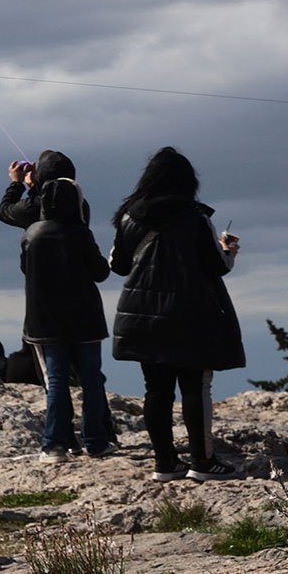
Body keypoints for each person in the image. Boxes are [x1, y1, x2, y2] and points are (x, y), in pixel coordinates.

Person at [110, 147, 242, 481]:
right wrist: (228, 251)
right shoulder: (196, 218)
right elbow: (216, 265)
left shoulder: (128, 216)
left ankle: (165, 464)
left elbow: (119, 265)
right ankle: (202, 462)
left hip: (141, 314)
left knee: (156, 390)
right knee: (194, 386)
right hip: (189, 313)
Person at [19, 177, 115, 463]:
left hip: (44, 318)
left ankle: (54, 445)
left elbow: (26, 270)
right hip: (83, 316)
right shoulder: (80, 233)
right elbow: (100, 273)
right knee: (91, 379)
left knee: (57, 381)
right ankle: (95, 441)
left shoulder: (30, 233)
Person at [0, 150, 87, 229]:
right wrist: (35, 187)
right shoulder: (81, 205)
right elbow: (50, 203)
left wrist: (16, 182)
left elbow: (4, 211)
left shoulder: (32, 206)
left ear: (41, 175)